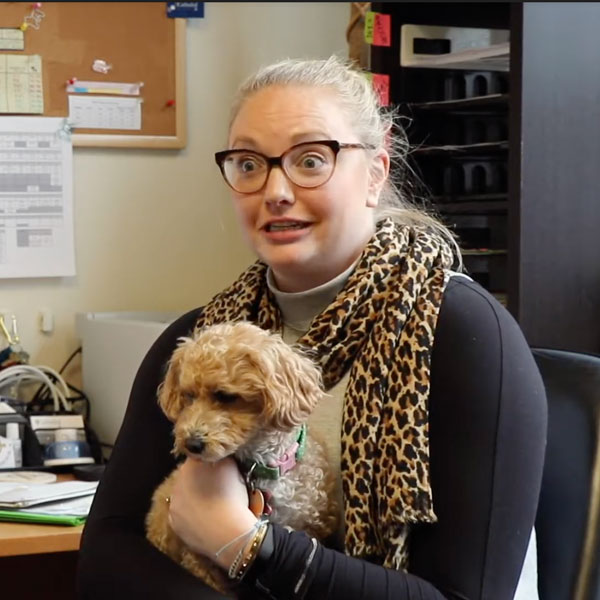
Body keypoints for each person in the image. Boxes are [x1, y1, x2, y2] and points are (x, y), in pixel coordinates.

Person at [77, 55, 546, 599]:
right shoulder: (202, 340)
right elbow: (107, 554)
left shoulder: (465, 336)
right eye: (250, 164)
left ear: (376, 170)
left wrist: (247, 545)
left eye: (311, 159)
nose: (275, 190)